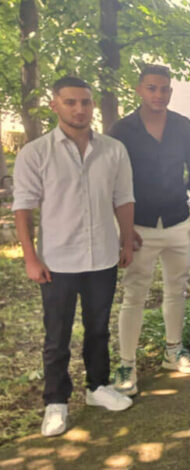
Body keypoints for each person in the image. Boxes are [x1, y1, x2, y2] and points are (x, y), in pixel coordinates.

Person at [13, 77, 135, 437]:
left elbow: (124, 198)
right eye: (70, 102)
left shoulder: (113, 150)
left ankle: (98, 387)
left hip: (102, 257)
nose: (79, 109)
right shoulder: (36, 153)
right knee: (57, 335)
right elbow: (23, 208)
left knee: (98, 329)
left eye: (85, 102)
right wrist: (30, 257)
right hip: (58, 261)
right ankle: (56, 402)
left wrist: (127, 240)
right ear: (55, 105)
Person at [109, 64, 190, 396]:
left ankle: (174, 351)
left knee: (177, 289)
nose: (159, 94)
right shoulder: (122, 129)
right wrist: (124, 229)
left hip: (177, 221)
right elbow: (112, 182)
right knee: (134, 294)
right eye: (152, 88)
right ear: (139, 89)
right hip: (138, 225)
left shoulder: (182, 126)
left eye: (165, 88)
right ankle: (127, 364)